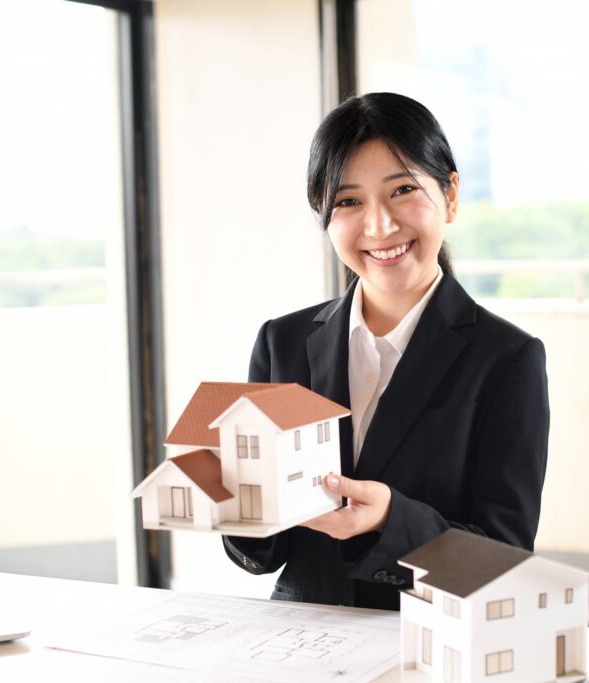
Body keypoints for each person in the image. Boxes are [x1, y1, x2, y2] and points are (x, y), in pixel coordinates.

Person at [223, 92, 549, 611]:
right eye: (348, 201)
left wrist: (389, 519)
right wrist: (241, 505)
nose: (379, 227)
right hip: (299, 642)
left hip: (429, 646)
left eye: (402, 190)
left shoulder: (507, 358)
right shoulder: (281, 343)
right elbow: (262, 551)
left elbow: (502, 561)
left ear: (451, 195)